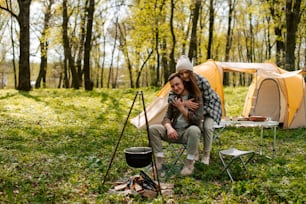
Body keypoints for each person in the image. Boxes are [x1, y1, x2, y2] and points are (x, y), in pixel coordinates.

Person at [168, 55, 222, 165]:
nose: (184, 76)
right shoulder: (180, 82)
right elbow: (170, 98)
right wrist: (184, 103)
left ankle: (206, 154)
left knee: (207, 127)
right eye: (181, 73)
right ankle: (195, 152)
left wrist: (199, 114)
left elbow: (209, 100)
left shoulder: (202, 81)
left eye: (186, 72)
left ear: (190, 71)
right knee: (193, 127)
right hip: (194, 110)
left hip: (210, 107)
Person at [149, 73, 203, 176]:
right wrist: (169, 128)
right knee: (153, 129)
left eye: (177, 84)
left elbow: (197, 121)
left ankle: (189, 164)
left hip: (187, 134)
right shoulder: (174, 98)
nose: (175, 88)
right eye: (173, 86)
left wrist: (182, 108)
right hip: (173, 132)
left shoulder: (196, 97)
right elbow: (166, 117)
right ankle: (160, 161)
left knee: (194, 130)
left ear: (183, 82)